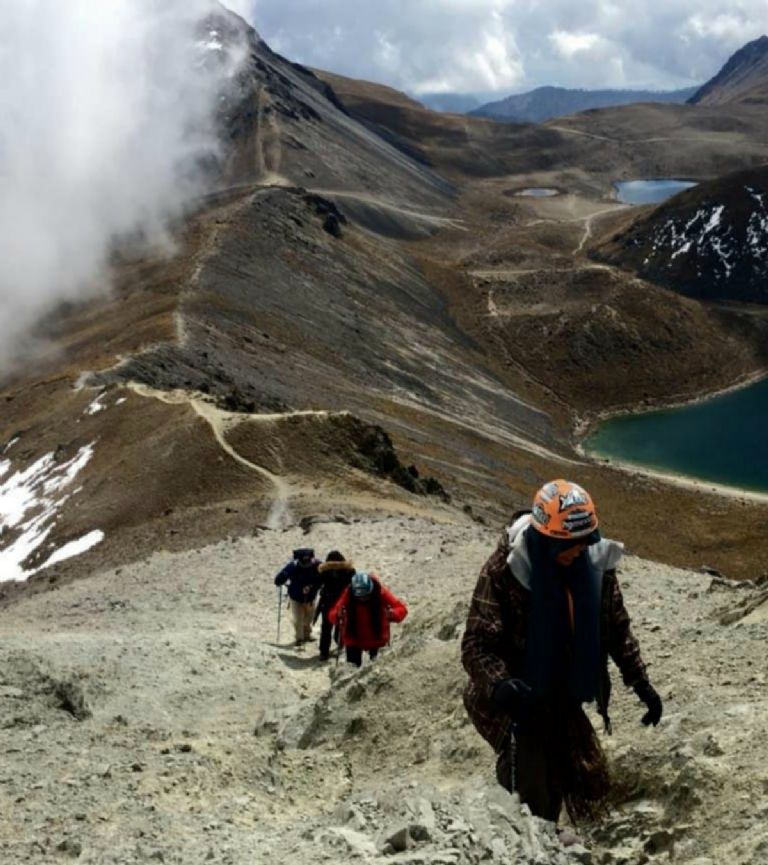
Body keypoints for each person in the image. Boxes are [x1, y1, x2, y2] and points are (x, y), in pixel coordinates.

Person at [462, 479, 663, 825]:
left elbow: (615, 625)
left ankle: (552, 835)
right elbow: (477, 643)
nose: (579, 551)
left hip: (561, 694)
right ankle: (532, 838)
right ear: (545, 539)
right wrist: (500, 685)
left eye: (586, 541)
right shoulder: (505, 571)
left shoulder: (596, 564)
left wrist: (640, 681)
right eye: (568, 544)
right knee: (531, 777)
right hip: (517, 699)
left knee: (580, 776)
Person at [328, 571, 408, 667]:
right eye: (360, 597)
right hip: (354, 637)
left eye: (366, 596)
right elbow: (332, 614)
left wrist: (392, 614)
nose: (363, 599)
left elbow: (401, 609)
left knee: (379, 669)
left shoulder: (380, 591)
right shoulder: (348, 593)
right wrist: (338, 614)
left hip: (377, 637)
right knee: (351, 669)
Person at [274, 547, 322, 646]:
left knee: (309, 618)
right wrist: (280, 580)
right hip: (296, 597)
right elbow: (279, 579)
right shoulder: (293, 566)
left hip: (310, 598)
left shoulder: (317, 565)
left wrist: (312, 587)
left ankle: (307, 635)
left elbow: (321, 579)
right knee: (298, 619)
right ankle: (299, 638)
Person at [316, 551, 356, 661]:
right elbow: (352, 586)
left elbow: (317, 584)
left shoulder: (324, 571)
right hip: (343, 602)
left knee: (326, 627)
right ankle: (340, 644)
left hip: (327, 602)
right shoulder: (349, 571)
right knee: (341, 625)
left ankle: (324, 652)